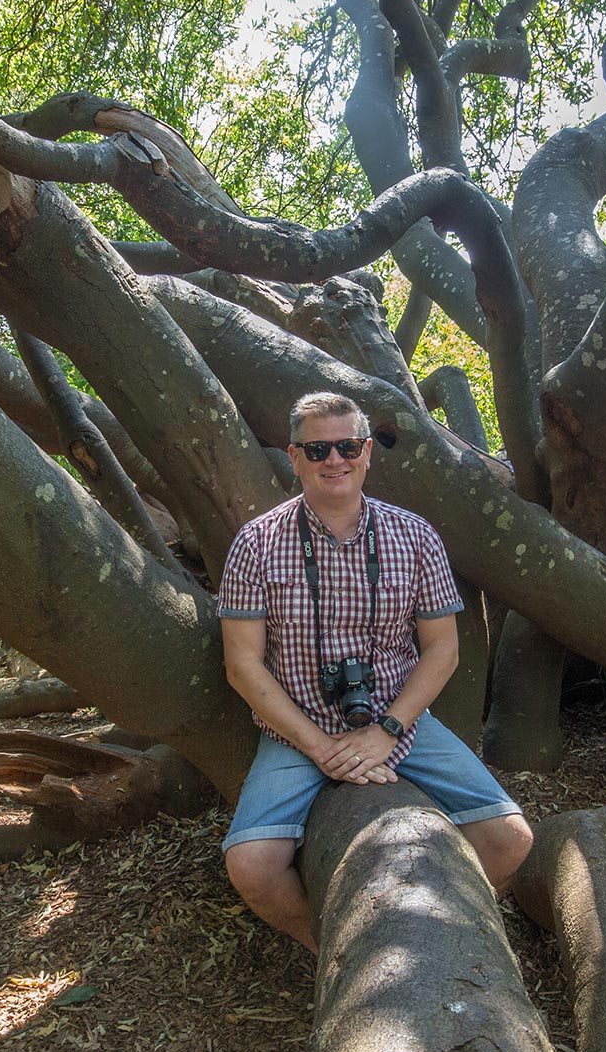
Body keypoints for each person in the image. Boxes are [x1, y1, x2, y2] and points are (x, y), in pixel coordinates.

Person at [217, 391, 533, 952]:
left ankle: (453, 937)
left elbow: (443, 650)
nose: (334, 459)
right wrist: (319, 746)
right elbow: (242, 665)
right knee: (252, 867)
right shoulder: (257, 543)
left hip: (400, 719)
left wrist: (385, 730)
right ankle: (335, 951)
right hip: (296, 728)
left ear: (367, 453)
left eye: (348, 445)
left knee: (509, 842)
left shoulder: (415, 536)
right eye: (318, 449)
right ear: (294, 456)